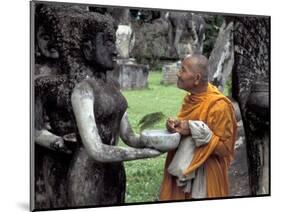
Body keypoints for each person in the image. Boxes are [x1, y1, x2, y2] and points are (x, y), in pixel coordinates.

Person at [33, 4, 161, 210]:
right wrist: (57, 142)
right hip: (78, 170)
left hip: (113, 171)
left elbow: (129, 136)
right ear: (87, 49)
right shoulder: (65, 87)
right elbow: (36, 129)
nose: (115, 49)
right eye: (108, 41)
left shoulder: (112, 88)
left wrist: (154, 141)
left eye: (115, 41)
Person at [159, 54, 237, 200]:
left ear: (196, 78)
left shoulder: (219, 105)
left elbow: (225, 149)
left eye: (183, 70)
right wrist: (175, 126)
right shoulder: (191, 98)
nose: (178, 74)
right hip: (183, 170)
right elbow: (185, 127)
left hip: (207, 176)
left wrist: (196, 131)